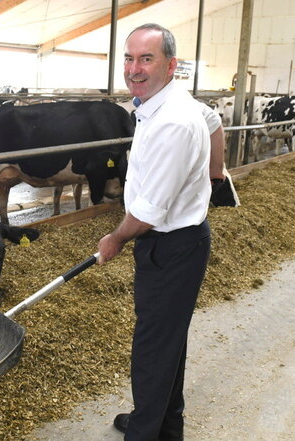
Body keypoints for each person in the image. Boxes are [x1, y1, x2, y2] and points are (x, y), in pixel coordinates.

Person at [97, 23, 213, 441]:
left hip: (171, 246)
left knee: (152, 348)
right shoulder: (157, 106)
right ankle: (165, 424)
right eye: (129, 58)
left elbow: (148, 212)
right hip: (173, 243)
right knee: (167, 343)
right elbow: (212, 119)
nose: (134, 68)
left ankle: (145, 431)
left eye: (146, 58)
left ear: (171, 64)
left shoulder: (173, 122)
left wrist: (115, 237)